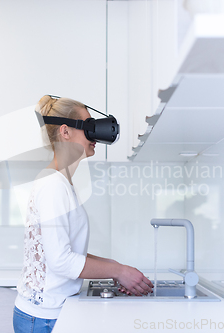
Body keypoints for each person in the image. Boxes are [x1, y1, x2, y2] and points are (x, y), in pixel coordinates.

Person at [13, 95, 153, 333]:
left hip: (46, 314)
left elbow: (65, 251)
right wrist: (119, 271)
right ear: (65, 132)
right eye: (89, 126)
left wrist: (115, 267)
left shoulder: (60, 182)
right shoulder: (53, 185)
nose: (95, 135)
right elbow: (61, 261)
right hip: (43, 319)